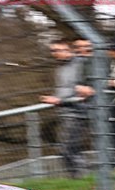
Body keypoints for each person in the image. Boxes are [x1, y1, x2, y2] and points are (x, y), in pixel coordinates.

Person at [40, 39, 94, 178]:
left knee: (68, 147)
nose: (56, 53)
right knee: (68, 147)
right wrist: (56, 99)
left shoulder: (82, 63)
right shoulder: (60, 68)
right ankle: (79, 176)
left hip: (79, 111)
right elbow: (64, 89)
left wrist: (60, 100)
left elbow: (86, 89)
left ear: (69, 49)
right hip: (65, 110)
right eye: (53, 51)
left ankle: (81, 176)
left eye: (59, 50)